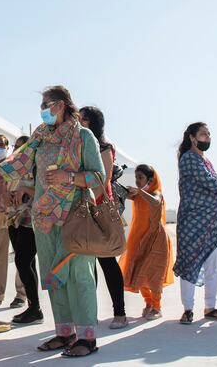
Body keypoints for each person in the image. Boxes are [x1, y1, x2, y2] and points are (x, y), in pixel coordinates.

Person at [0, 86, 106, 357]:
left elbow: (98, 177)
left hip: (75, 217)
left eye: (45, 104)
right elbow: (17, 163)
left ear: (60, 105)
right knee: (53, 275)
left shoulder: (83, 137)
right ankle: (65, 332)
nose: (42, 110)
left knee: (78, 275)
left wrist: (68, 178)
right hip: (44, 219)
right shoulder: (40, 136)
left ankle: (87, 337)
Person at [173, 122, 217, 325]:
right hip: (192, 221)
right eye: (203, 134)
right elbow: (208, 182)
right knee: (189, 263)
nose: (208, 138)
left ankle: (210, 307)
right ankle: (188, 309)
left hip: (212, 222)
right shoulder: (188, 159)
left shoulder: (207, 161)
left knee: (214, 265)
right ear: (192, 138)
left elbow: (211, 189)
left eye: (209, 134)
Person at [78, 106, 128, 329]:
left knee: (107, 261)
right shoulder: (77, 146)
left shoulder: (105, 147)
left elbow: (103, 179)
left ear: (92, 123)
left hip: (100, 209)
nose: (78, 123)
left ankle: (120, 313)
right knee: (87, 264)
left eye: (83, 120)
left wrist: (88, 201)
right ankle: (90, 313)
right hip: (82, 209)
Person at [119, 164, 174, 320]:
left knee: (154, 274)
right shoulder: (138, 195)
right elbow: (123, 193)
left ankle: (157, 307)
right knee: (138, 271)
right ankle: (149, 303)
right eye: (136, 177)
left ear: (150, 180)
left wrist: (141, 192)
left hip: (156, 240)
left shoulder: (156, 193)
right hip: (139, 239)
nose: (137, 181)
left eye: (140, 178)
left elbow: (156, 202)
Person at [0, 134, 27, 309]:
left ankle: (22, 294)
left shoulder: (16, 166)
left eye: (2, 144)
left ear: (8, 146)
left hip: (20, 216)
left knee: (22, 256)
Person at [6, 135, 43, 324]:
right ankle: (33, 307)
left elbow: (46, 193)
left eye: (23, 147)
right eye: (16, 147)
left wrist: (26, 191)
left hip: (32, 220)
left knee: (22, 261)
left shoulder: (39, 167)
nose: (18, 151)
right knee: (27, 264)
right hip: (14, 219)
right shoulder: (14, 168)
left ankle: (34, 308)